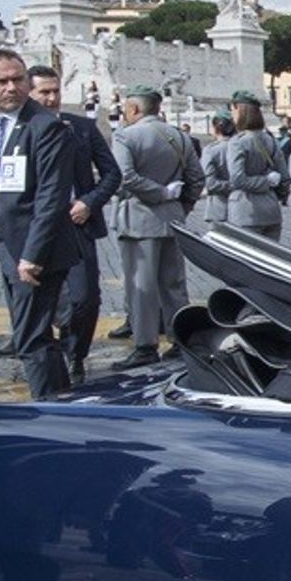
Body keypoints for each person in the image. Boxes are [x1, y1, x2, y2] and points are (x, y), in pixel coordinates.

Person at [0, 49, 80, 398]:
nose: (11, 87)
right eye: (1, 81)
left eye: (18, 79)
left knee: (30, 338)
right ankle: (62, 404)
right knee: (35, 335)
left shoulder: (46, 127)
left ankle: (48, 413)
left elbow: (51, 197)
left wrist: (32, 255)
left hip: (35, 250)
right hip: (6, 244)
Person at [25, 64, 122, 385]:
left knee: (86, 298)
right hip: (34, 228)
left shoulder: (81, 127)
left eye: (55, 91)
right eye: (44, 92)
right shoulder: (19, 130)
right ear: (30, 93)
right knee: (40, 300)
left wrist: (89, 202)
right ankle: (48, 355)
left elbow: (112, 174)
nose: (52, 98)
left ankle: (76, 353)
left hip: (76, 223)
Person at [109, 84, 203, 370]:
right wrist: (178, 206)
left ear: (135, 109)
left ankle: (145, 345)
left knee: (141, 287)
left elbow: (124, 177)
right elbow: (196, 179)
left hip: (138, 220)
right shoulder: (179, 137)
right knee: (174, 285)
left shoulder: (125, 136)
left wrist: (159, 194)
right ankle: (180, 341)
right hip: (173, 220)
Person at [226, 90, 286, 241]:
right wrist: (273, 187)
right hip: (271, 211)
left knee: (246, 262)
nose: (231, 114)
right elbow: (284, 178)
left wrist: (265, 181)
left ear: (239, 109)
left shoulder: (238, 142)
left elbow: (237, 179)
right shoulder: (271, 140)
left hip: (246, 212)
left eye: (232, 109)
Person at [202, 111, 235, 225]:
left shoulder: (211, 150)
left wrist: (236, 184)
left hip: (219, 208)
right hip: (243, 208)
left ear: (216, 128)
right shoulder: (243, 147)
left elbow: (210, 184)